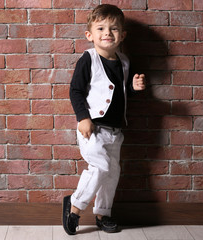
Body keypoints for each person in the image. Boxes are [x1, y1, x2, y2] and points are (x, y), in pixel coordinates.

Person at [62, 4, 146, 235]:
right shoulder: (88, 60)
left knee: (112, 173)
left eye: (114, 28)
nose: (107, 33)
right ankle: (75, 207)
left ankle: (103, 214)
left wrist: (134, 87)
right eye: (101, 28)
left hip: (115, 130)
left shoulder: (125, 62)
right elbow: (76, 91)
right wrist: (83, 118)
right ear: (90, 35)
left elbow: (120, 89)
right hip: (93, 128)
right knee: (100, 167)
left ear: (122, 35)